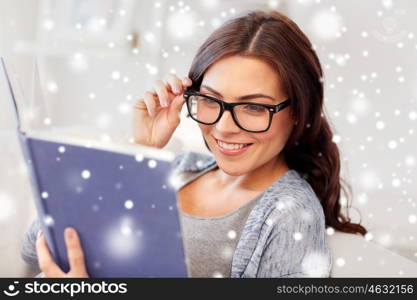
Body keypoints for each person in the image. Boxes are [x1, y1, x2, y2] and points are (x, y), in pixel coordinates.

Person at [21, 9, 367, 278]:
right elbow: (36, 245)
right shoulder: (182, 168)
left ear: (297, 111)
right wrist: (137, 154)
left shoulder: (291, 215)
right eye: (210, 100)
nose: (224, 127)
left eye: (253, 107)